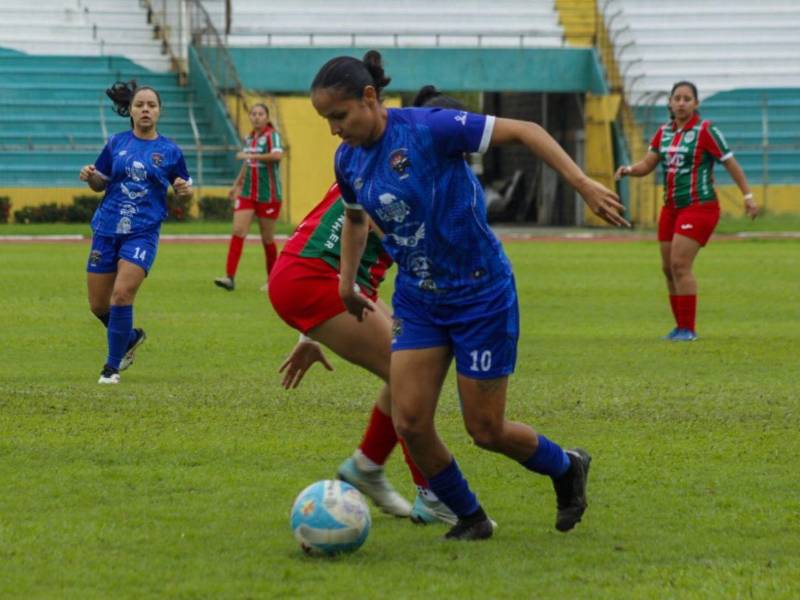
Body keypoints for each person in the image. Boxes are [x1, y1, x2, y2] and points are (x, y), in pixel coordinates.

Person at [310, 51, 629, 541]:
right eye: (326, 120)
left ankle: (565, 467)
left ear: (369, 97)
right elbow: (355, 220)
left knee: (487, 430)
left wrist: (583, 184)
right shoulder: (347, 159)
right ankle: (471, 518)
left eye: (339, 116)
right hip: (420, 300)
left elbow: (526, 131)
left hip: (481, 294)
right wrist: (345, 281)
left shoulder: (430, 129)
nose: (334, 129)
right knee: (411, 421)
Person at [268, 86, 470, 526]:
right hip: (313, 279)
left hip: (311, 277)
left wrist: (312, 329)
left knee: (412, 366)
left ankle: (372, 465)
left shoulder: (380, 154)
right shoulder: (404, 168)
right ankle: (427, 491)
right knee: (412, 372)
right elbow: (363, 228)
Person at [616, 81, 758, 341]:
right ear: (670, 102)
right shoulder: (663, 132)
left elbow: (730, 163)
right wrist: (629, 170)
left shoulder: (706, 131)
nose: (681, 103)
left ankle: (688, 330)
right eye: (677, 98)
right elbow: (648, 164)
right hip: (670, 209)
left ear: (696, 104)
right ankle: (679, 327)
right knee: (668, 268)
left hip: (699, 207)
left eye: (687, 98)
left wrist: (747, 196)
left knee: (680, 264)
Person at [80, 81, 193, 384]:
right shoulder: (116, 143)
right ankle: (129, 338)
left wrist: (184, 190)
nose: (146, 109)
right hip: (106, 228)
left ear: (159, 112)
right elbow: (100, 183)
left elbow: (185, 188)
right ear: (130, 110)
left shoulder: (170, 151)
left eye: (151, 105)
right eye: (140, 105)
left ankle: (111, 368)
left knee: (122, 294)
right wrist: (91, 176)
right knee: (98, 305)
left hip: (142, 231)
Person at [214, 103, 283, 292]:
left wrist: (252, 156)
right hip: (247, 193)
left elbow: (277, 156)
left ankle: (273, 280)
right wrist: (236, 185)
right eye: (253, 114)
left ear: (267, 117)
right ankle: (229, 278)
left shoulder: (272, 136)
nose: (257, 117)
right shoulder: (250, 138)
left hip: (268, 195)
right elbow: (247, 163)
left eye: (261, 114)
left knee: (267, 238)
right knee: (238, 230)